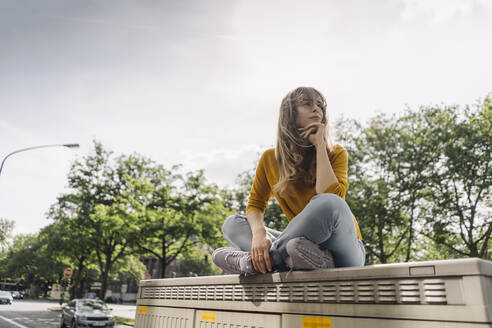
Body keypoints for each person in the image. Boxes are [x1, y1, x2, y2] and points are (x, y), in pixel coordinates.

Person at [212, 87, 365, 275]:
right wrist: (259, 235)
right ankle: (300, 259)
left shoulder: (336, 153)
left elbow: (331, 197)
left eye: (320, 106)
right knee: (232, 224)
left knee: (329, 202)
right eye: (308, 104)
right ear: (290, 113)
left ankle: (255, 262)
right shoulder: (270, 158)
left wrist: (319, 146)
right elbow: (255, 205)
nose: (317, 109)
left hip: (345, 250)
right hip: (299, 245)